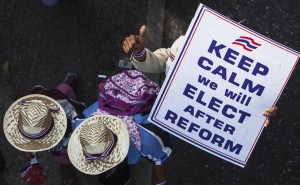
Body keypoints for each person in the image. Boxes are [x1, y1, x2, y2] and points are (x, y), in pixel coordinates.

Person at [122, 25, 278, 126]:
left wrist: (257, 114)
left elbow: (245, 98)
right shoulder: (184, 44)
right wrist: (140, 53)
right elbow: (162, 62)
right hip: (183, 116)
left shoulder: (241, 76)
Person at [70, 70, 171, 185]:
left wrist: (160, 182)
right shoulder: (81, 127)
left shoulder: (148, 140)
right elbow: (158, 161)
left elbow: (159, 158)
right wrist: (160, 181)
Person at [3, 73, 86, 185]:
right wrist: (29, 151)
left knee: (64, 91)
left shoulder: (64, 108)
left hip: (68, 133)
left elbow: (78, 114)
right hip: (55, 131)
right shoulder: (29, 118)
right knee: (63, 89)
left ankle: (69, 83)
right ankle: (68, 83)